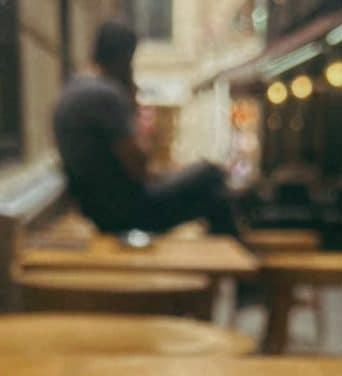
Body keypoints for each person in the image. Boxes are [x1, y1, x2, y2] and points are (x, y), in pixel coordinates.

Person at [54, 21, 238, 235]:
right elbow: (140, 165)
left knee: (215, 198)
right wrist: (132, 102)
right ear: (125, 58)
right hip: (126, 213)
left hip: (98, 209)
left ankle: (230, 260)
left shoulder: (72, 89)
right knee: (211, 173)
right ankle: (235, 261)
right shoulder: (107, 95)